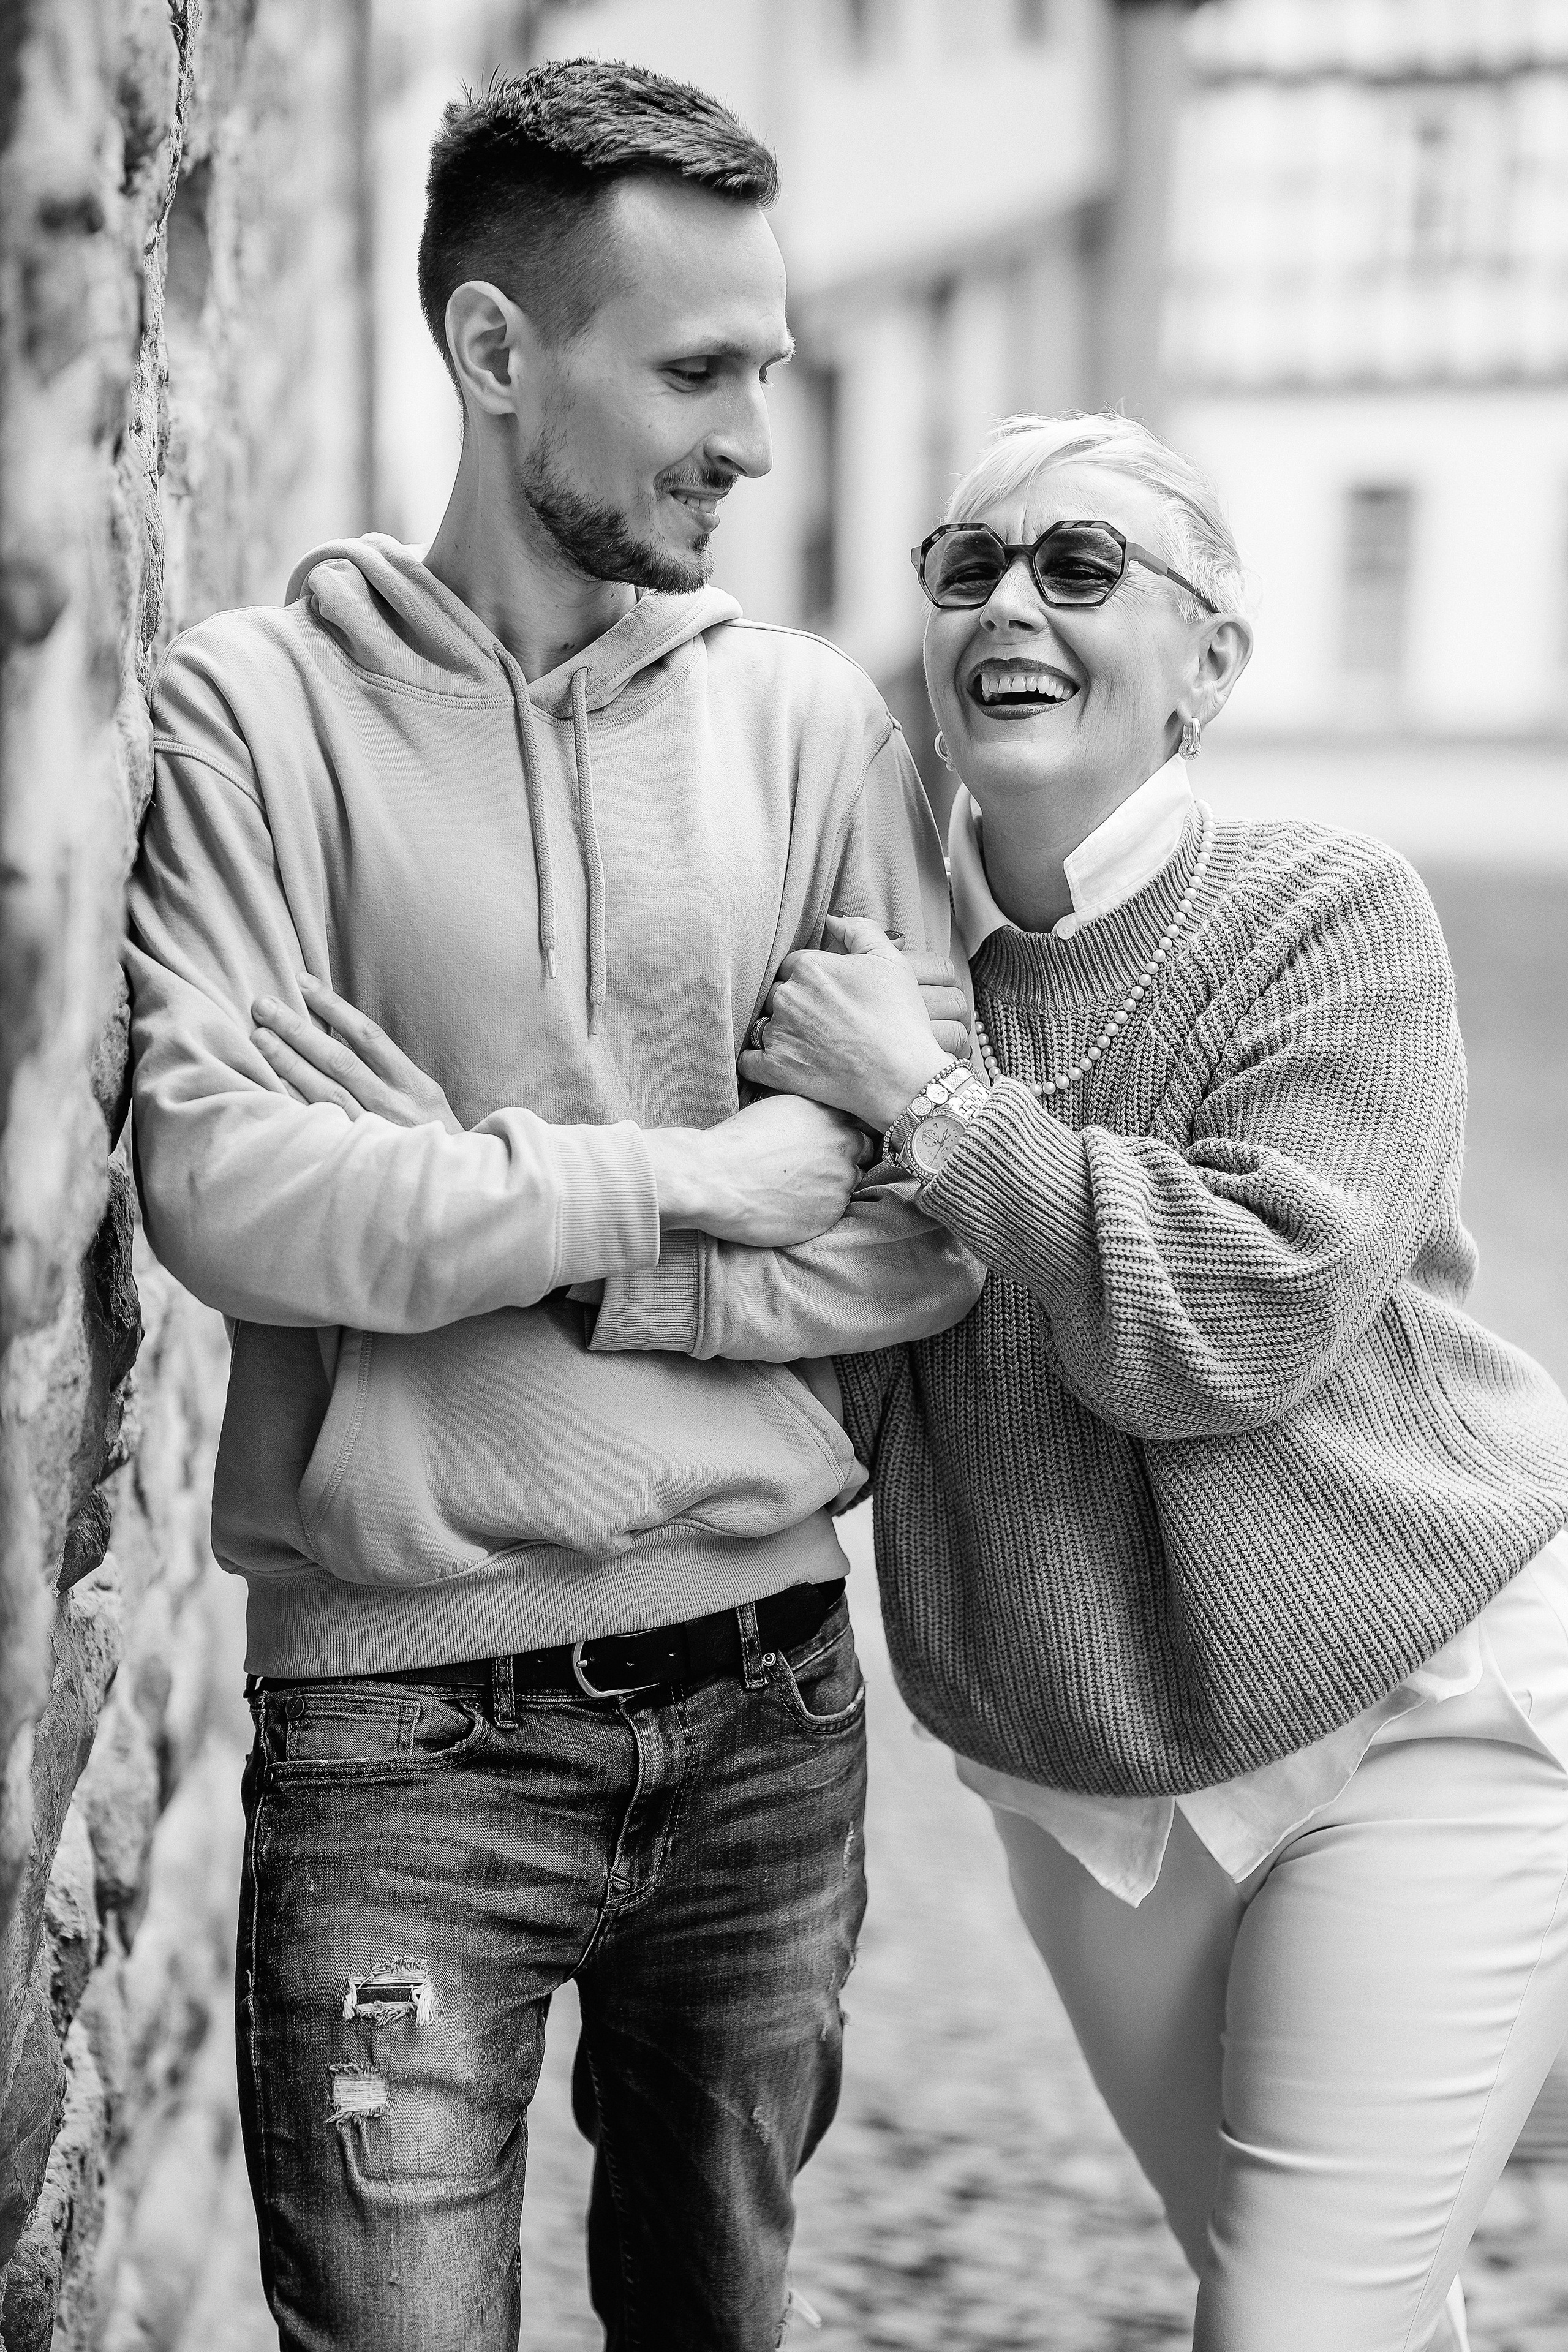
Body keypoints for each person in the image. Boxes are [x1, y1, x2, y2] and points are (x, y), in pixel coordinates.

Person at [126, 62, 979, 2352]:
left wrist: (513, 1230)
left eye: (770, 374)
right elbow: (228, 1181)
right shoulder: (256, 718)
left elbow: (922, 1230)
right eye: (698, 371)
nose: (756, 439)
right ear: (498, 353)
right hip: (404, 1745)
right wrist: (700, 1176)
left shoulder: (813, 732)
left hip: (769, 1707)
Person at [733, 411, 1568, 2351]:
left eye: (1084, 567)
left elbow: (1235, 1317)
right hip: (1085, 1781)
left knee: (1300, 2328)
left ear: (1211, 665)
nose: (1012, 604)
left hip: (1411, 1714)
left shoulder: (1327, 915)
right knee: (1333, 2305)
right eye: (970, 565)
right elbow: (829, 1366)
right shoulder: (862, 962)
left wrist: (927, 1107)